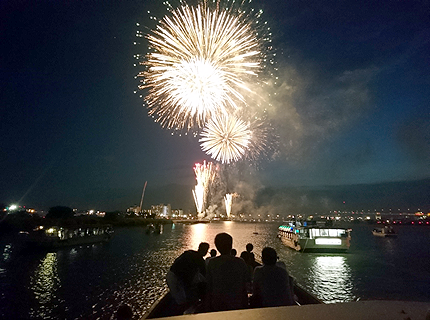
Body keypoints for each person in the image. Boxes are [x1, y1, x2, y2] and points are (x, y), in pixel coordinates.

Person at [205, 233, 251, 312]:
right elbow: (246, 283)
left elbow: (209, 285)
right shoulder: (240, 262)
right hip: (237, 303)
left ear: (217, 246)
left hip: (218, 304)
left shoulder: (212, 263)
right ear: (231, 245)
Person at [167, 242, 209, 307]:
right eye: (206, 250)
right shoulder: (200, 260)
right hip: (175, 278)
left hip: (172, 275)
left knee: (181, 299)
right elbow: (205, 275)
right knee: (182, 302)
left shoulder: (188, 253)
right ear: (205, 251)